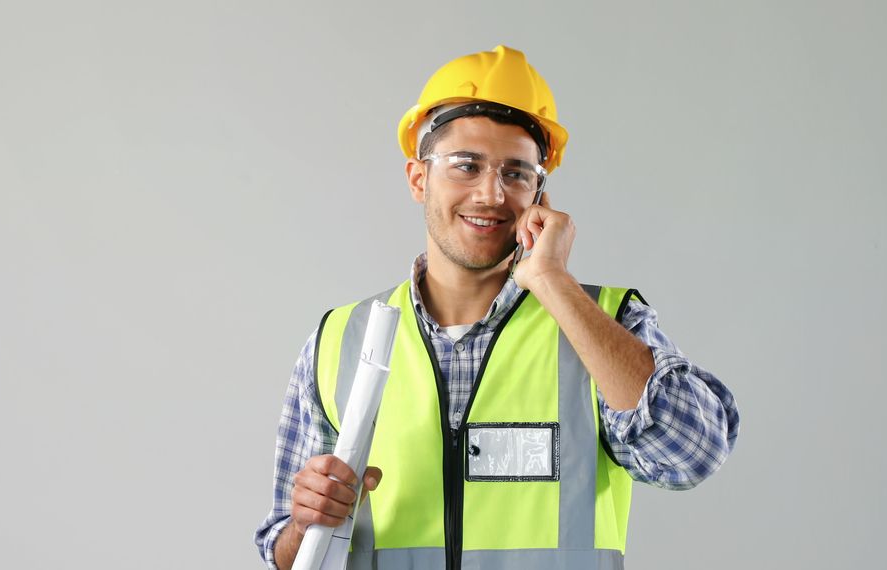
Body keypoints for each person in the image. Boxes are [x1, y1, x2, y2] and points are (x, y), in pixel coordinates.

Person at [254, 45, 739, 570]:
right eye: (466, 166)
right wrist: (306, 524)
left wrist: (552, 281)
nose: (491, 194)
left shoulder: (600, 322)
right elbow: (286, 551)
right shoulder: (342, 340)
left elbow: (692, 454)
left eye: (516, 173)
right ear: (419, 179)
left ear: (540, 194)